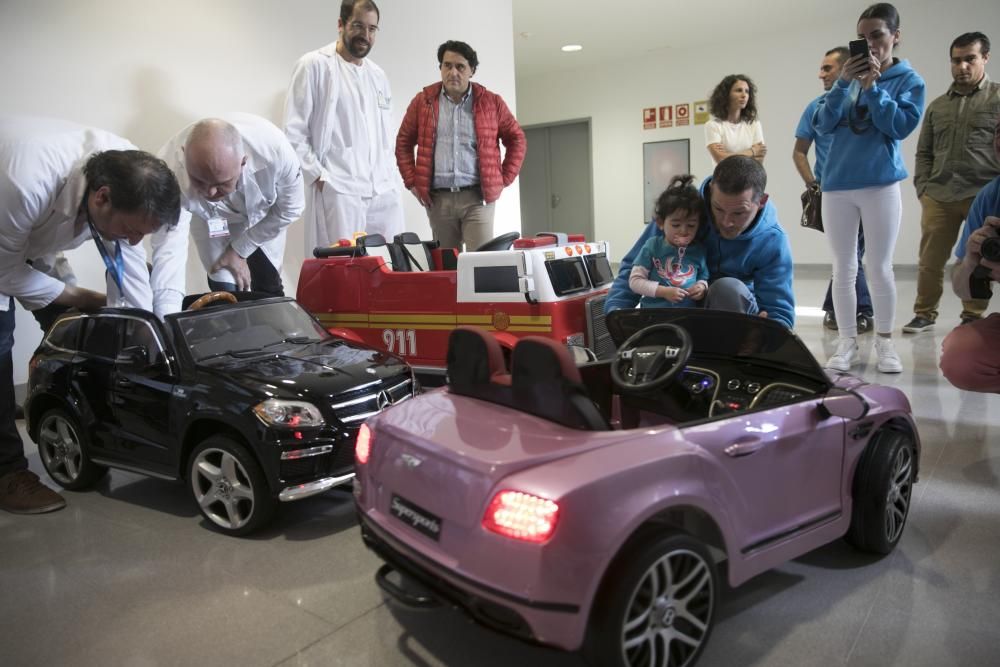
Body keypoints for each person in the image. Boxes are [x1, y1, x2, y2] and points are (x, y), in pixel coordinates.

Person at [0, 115, 180, 514]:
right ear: (101, 198)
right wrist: (84, 296)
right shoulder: (24, 179)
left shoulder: (131, 179)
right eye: (131, 230)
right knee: (0, 340)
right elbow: (4, 270)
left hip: (28, 235)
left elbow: (130, 281)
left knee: (72, 331)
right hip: (4, 231)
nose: (135, 240)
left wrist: (146, 336)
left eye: (143, 234)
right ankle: (7, 471)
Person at [813, 2, 925, 374]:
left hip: (880, 184)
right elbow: (824, 124)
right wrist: (844, 82)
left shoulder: (909, 81)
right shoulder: (843, 81)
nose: (870, 44)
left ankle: (885, 343)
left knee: (878, 266)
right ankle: (846, 342)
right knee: (843, 267)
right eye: (862, 37)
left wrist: (873, 87)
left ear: (896, 36)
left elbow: (900, 126)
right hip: (837, 186)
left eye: (877, 35)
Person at [606, 156, 795, 329]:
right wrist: (616, 314)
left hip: (733, 311)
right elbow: (636, 265)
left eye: (739, 213)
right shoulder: (684, 212)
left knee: (727, 289)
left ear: (761, 201)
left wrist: (769, 332)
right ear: (712, 190)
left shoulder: (772, 240)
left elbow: (779, 310)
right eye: (718, 209)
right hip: (678, 308)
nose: (726, 222)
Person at [150, 114, 305, 317]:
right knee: (225, 284)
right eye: (199, 181)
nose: (210, 193)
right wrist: (165, 317)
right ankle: (232, 336)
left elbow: (290, 209)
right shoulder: (167, 170)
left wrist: (240, 249)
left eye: (221, 183)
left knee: (267, 283)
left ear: (243, 163)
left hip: (260, 216)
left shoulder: (274, 151)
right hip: (210, 220)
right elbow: (169, 250)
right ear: (184, 154)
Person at [283, 0, 403, 253]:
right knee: (344, 267)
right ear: (341, 24)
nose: (365, 35)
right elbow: (294, 131)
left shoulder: (378, 75)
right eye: (358, 26)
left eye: (372, 29)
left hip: (383, 189)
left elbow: (386, 134)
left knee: (390, 265)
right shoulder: (314, 65)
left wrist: (391, 175)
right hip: (341, 189)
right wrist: (320, 177)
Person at [904, 32, 1000, 334]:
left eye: (969, 59)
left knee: (980, 257)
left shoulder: (998, 98)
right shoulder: (937, 106)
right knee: (930, 261)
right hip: (940, 195)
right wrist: (924, 189)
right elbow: (924, 151)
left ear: (984, 58)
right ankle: (924, 313)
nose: (962, 66)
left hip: (982, 194)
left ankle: (972, 313)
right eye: (956, 60)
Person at [395, 40, 526, 252]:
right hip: (439, 201)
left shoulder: (491, 102)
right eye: (447, 65)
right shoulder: (423, 102)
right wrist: (412, 182)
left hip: (477, 199)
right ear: (440, 68)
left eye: (460, 66)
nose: (453, 72)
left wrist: (503, 179)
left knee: (480, 266)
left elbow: (516, 138)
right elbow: (403, 142)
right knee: (447, 269)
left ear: (471, 71)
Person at [793, 46, 874, 334]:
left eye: (827, 68)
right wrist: (812, 183)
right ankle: (860, 310)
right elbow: (799, 152)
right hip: (832, 195)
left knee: (850, 255)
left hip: (869, 191)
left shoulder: (867, 101)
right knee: (850, 254)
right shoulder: (815, 107)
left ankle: (833, 307)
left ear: (846, 68)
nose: (821, 74)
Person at [940, 111, 1000, 391]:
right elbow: (964, 291)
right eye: (999, 131)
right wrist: (971, 262)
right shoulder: (990, 196)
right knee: (961, 355)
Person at [628, 175, 709, 308]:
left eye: (691, 225)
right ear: (660, 223)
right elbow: (635, 282)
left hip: (687, 317)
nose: (683, 231)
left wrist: (701, 287)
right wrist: (664, 292)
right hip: (654, 315)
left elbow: (703, 278)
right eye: (676, 225)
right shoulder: (653, 246)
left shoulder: (699, 250)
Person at [705, 74, 766, 164]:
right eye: (739, 90)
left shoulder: (754, 124)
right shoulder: (713, 125)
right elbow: (721, 160)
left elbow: (759, 159)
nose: (744, 95)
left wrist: (728, 155)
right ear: (726, 95)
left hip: (751, 177)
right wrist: (752, 151)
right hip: (724, 178)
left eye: (747, 91)